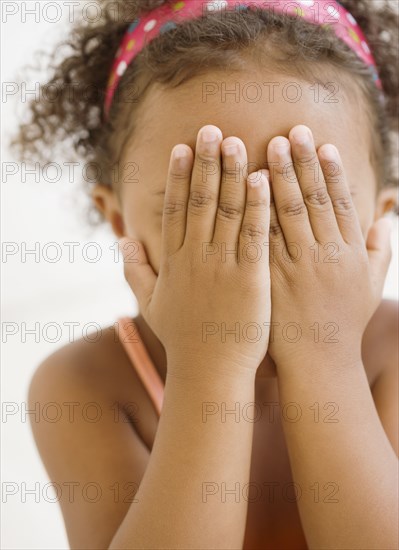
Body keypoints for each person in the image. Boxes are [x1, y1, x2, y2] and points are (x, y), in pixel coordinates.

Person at [12, 0, 398, 548]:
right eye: (204, 206)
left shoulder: (394, 352)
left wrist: (325, 355)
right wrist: (208, 365)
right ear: (120, 220)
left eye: (305, 204)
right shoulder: (84, 386)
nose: (251, 243)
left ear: (377, 224)